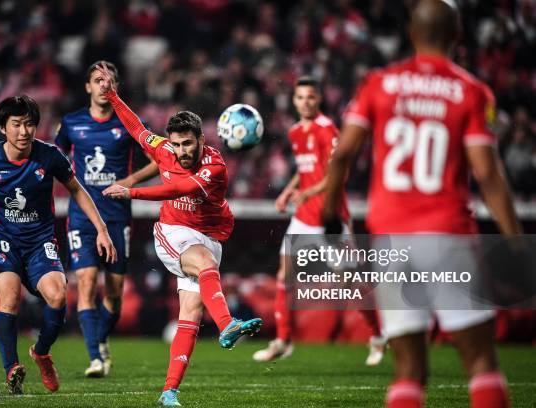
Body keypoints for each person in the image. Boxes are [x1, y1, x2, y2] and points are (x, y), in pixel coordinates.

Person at [323, 1, 520, 407]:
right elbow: (487, 174)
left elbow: (342, 156)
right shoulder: (469, 90)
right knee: (481, 361)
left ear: (411, 35)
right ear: (458, 36)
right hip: (447, 234)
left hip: (392, 241)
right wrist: (515, 241)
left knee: (409, 370)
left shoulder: (379, 84)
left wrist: (329, 212)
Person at [96, 62, 263, 407]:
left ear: (202, 139)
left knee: (190, 314)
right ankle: (228, 324)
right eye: (176, 144)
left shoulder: (214, 167)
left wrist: (132, 192)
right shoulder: (165, 149)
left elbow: (176, 189)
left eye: (188, 144)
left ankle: (168, 391)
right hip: (173, 231)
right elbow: (138, 129)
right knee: (202, 263)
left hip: (208, 236)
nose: (182, 151)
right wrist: (112, 95)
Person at [0, 96, 116, 395]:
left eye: (29, 124)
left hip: (41, 240)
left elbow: (77, 190)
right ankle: (12, 369)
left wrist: (101, 229)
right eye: (16, 124)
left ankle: (41, 353)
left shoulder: (50, 156)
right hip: (3, 237)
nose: (24, 131)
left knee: (57, 297)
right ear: (3, 128)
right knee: (9, 297)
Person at [252, 76, 385, 365]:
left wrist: (309, 191)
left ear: (319, 99)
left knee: (348, 283)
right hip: (303, 215)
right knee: (283, 277)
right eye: (300, 97)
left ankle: (377, 334)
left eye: (311, 97)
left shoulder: (328, 130)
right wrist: (288, 192)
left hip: (330, 217)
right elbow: (304, 168)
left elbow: (340, 173)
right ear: (294, 101)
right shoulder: (296, 132)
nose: (306, 102)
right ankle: (283, 341)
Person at [55, 61, 158, 378]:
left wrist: (129, 182)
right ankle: (95, 358)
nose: (103, 85)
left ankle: (100, 343)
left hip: (117, 217)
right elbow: (53, 162)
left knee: (114, 295)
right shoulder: (71, 123)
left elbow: (158, 160)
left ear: (116, 88)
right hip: (82, 217)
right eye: (98, 80)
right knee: (85, 282)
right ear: (87, 86)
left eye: (109, 81)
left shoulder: (129, 123)